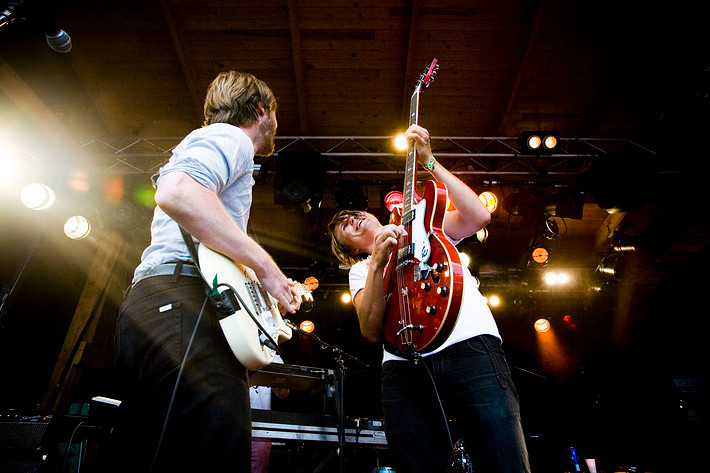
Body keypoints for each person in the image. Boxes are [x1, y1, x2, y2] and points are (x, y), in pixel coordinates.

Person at [110, 71, 301, 473]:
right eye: (276, 114)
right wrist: (267, 269)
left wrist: (265, 302)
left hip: (158, 305)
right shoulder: (232, 137)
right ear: (263, 111)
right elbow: (178, 191)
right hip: (185, 304)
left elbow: (212, 249)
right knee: (214, 455)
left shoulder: (216, 148)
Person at [328, 124, 531, 473]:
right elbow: (371, 329)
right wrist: (378, 262)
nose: (353, 218)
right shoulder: (361, 271)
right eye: (344, 225)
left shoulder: (425, 219)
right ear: (349, 249)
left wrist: (430, 162)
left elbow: (479, 216)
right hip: (404, 366)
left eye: (353, 213)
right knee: (418, 462)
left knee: (502, 455)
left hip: (468, 343)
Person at [249, 354, 289, 473]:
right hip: (233, 425)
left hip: (260, 430)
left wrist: (280, 388)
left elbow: (284, 392)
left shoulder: (272, 355)